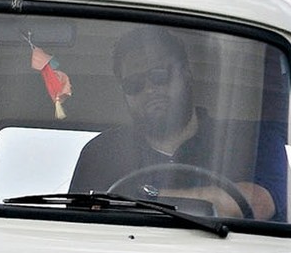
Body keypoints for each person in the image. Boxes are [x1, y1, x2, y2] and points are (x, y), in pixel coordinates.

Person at [69, 26, 279, 220]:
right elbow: (78, 224)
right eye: (134, 84)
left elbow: (259, 204)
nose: (149, 89)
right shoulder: (100, 153)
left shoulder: (251, 140)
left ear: (186, 73)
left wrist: (146, 197)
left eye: (159, 75)